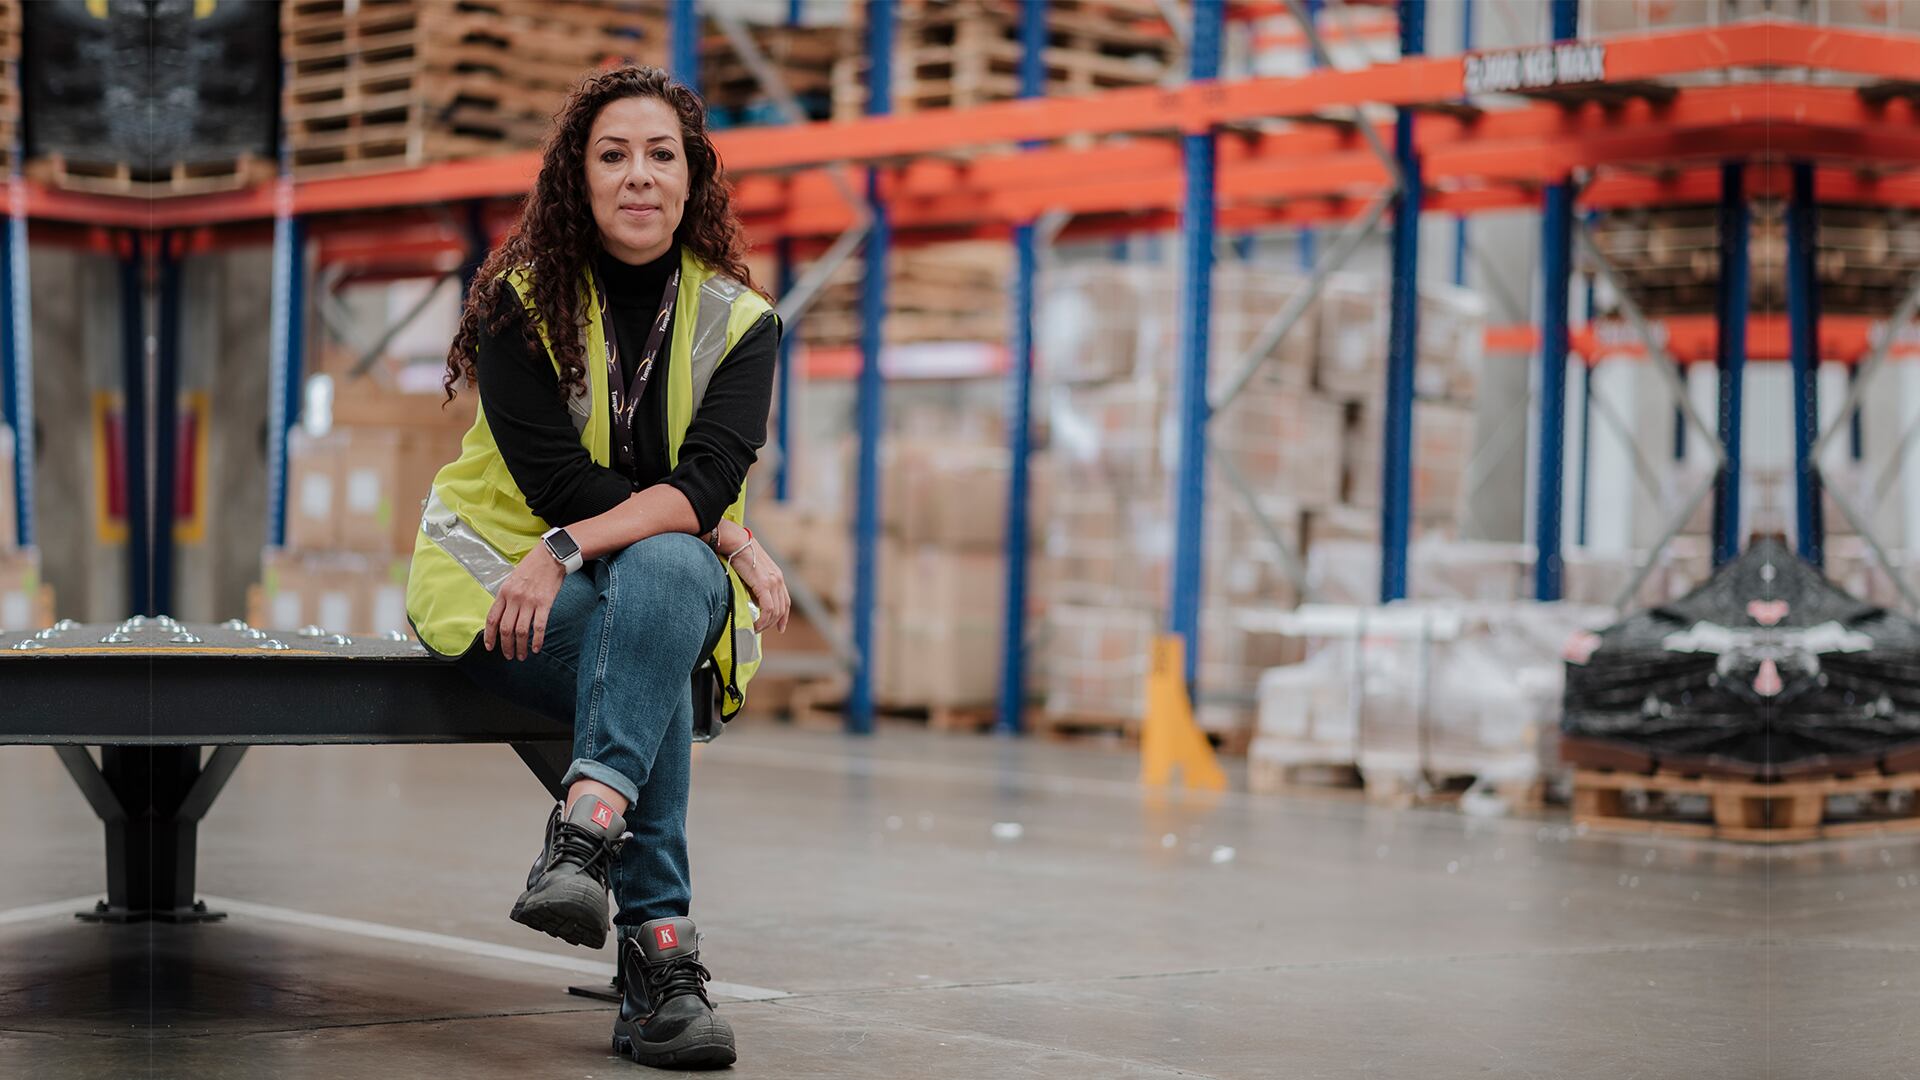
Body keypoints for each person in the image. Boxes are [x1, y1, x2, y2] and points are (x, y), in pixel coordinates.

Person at [404, 65, 790, 1070]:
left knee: (663, 580)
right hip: (503, 597)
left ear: (691, 178)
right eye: (612, 154)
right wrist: (718, 534)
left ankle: (583, 833)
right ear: (578, 177)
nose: (638, 175)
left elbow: (702, 484)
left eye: (661, 154)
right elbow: (560, 482)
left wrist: (629, 536)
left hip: (614, 585)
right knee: (661, 617)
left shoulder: (742, 324)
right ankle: (662, 961)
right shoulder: (519, 305)